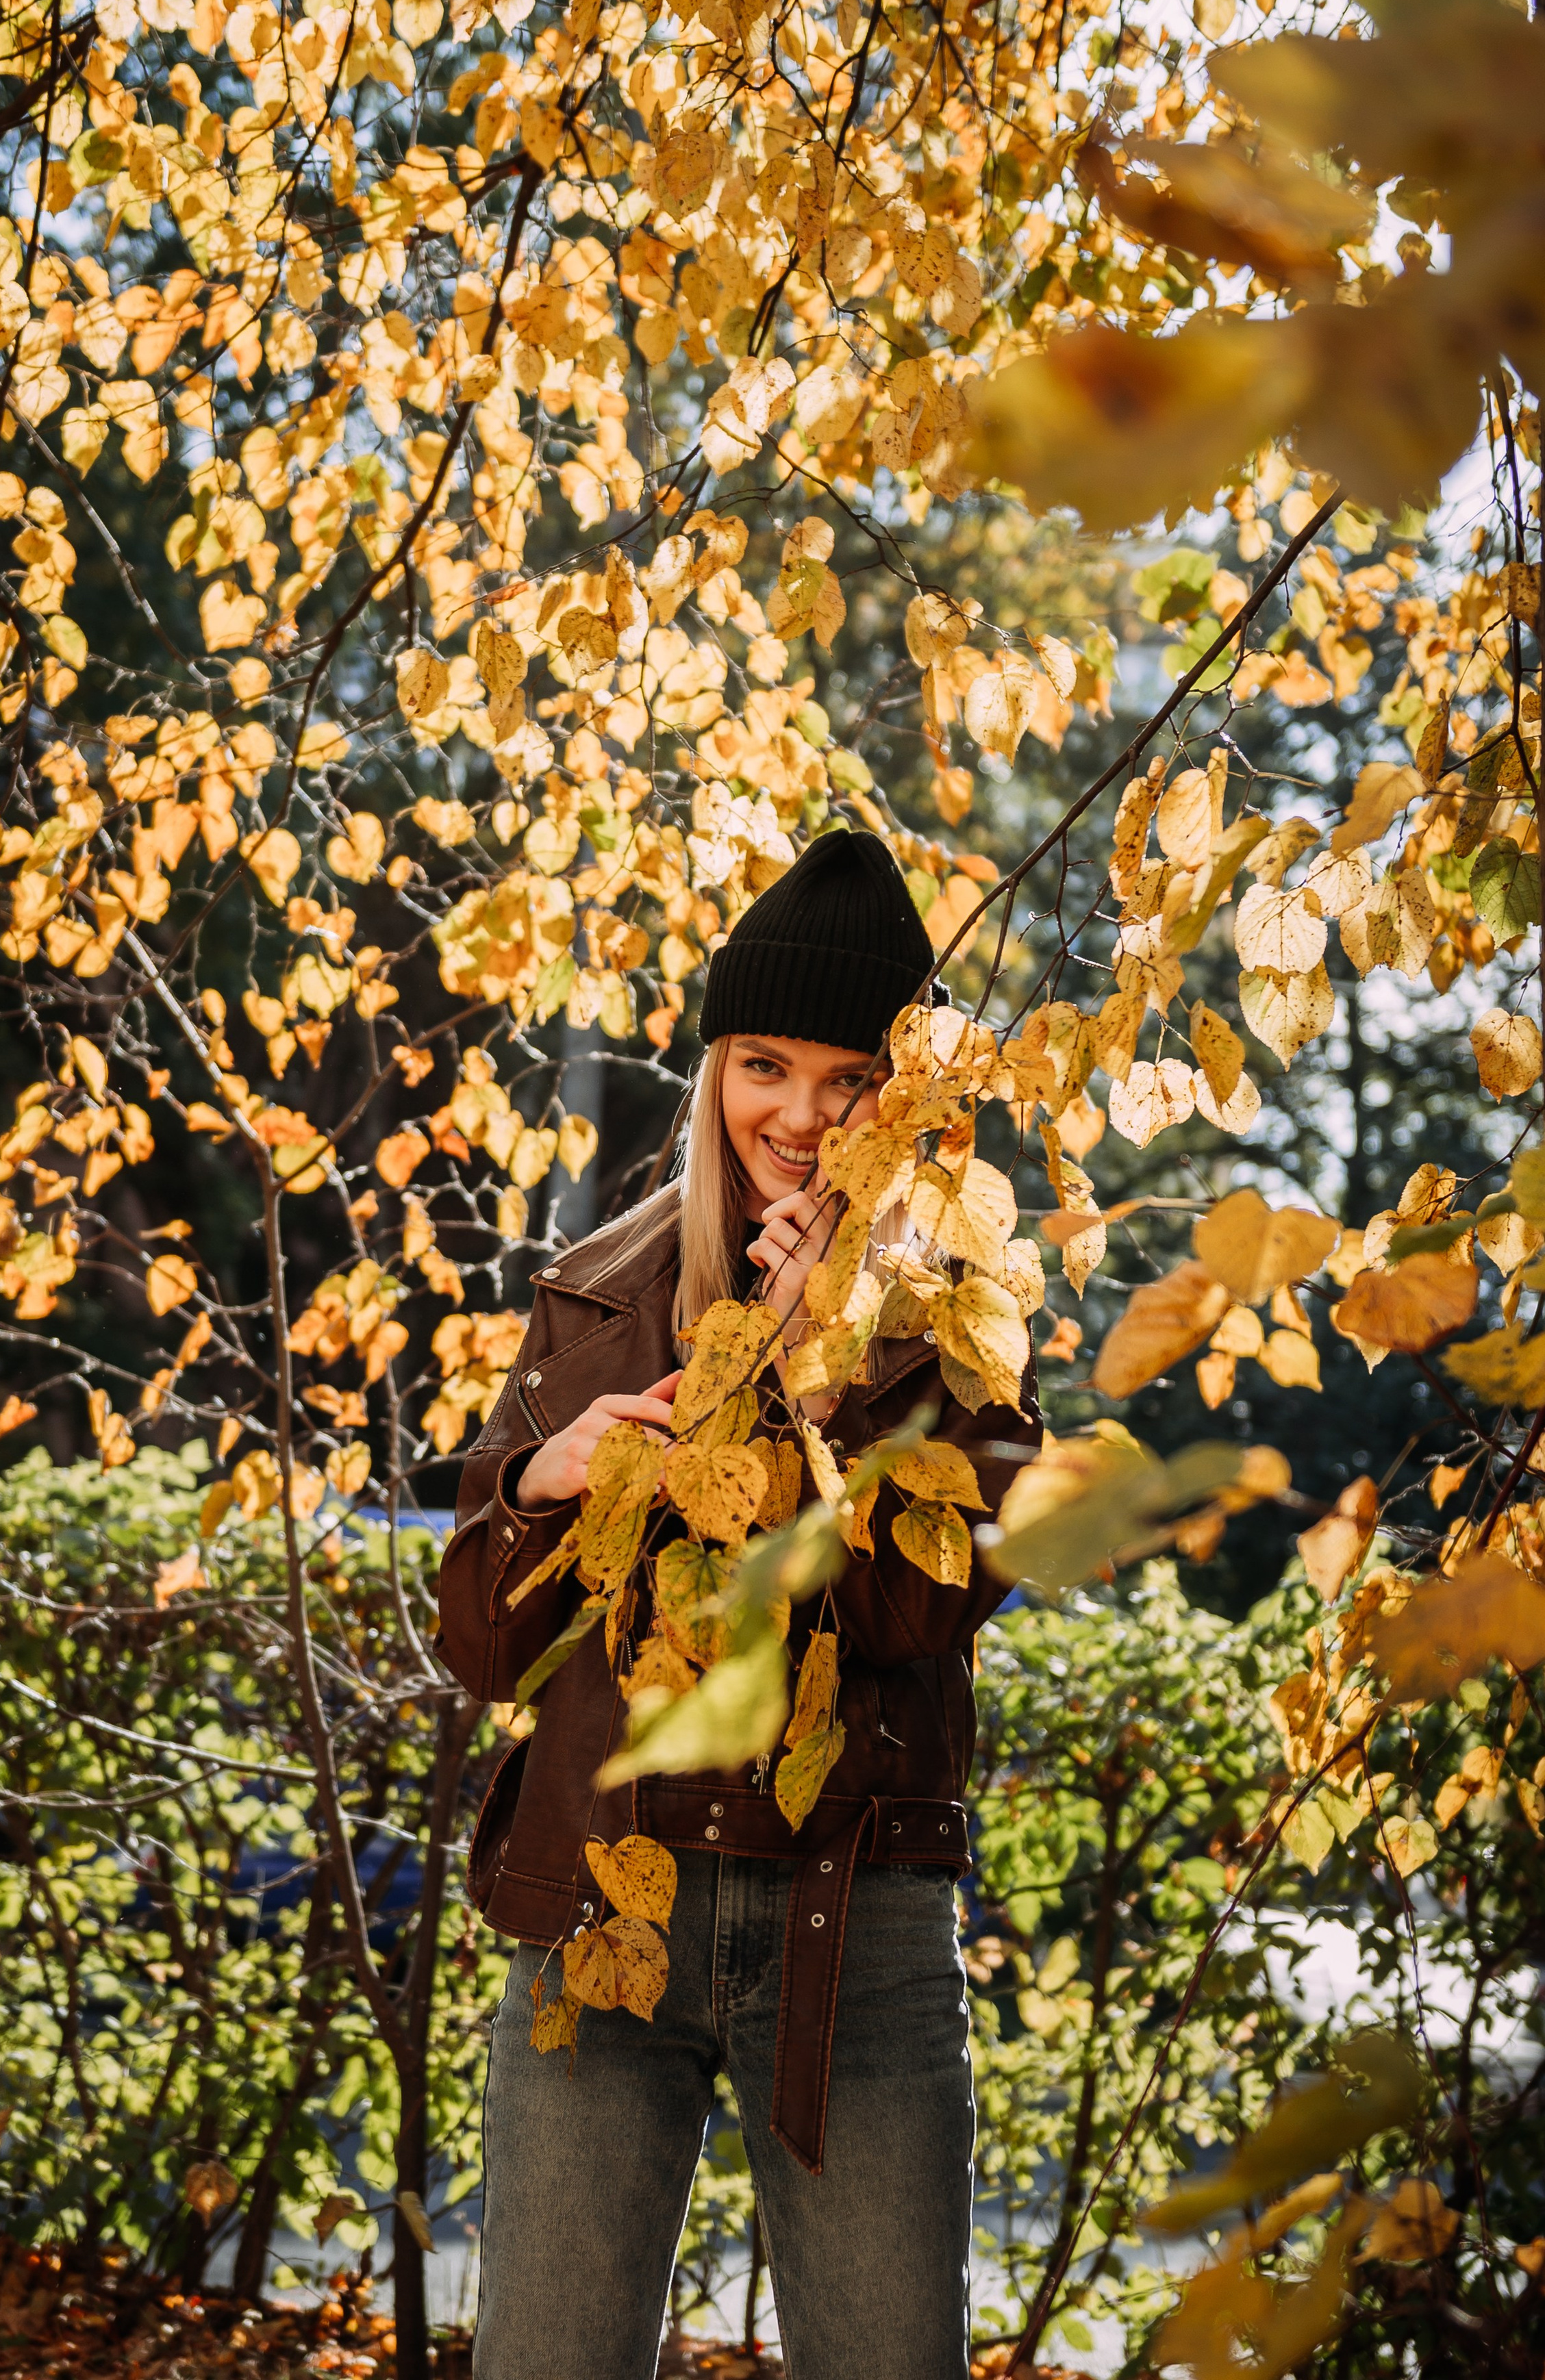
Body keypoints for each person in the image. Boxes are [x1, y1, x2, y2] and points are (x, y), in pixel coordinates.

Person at [436, 826, 1038, 2380]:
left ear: (906, 1104)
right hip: (596, 1903)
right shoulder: (595, 1288)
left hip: (858, 1929)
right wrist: (540, 1486)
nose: (798, 1113)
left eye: (853, 1081)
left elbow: (915, 1621)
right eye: (764, 1062)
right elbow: (482, 1646)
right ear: (713, 1068)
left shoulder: (960, 1332)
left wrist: (829, 1369)